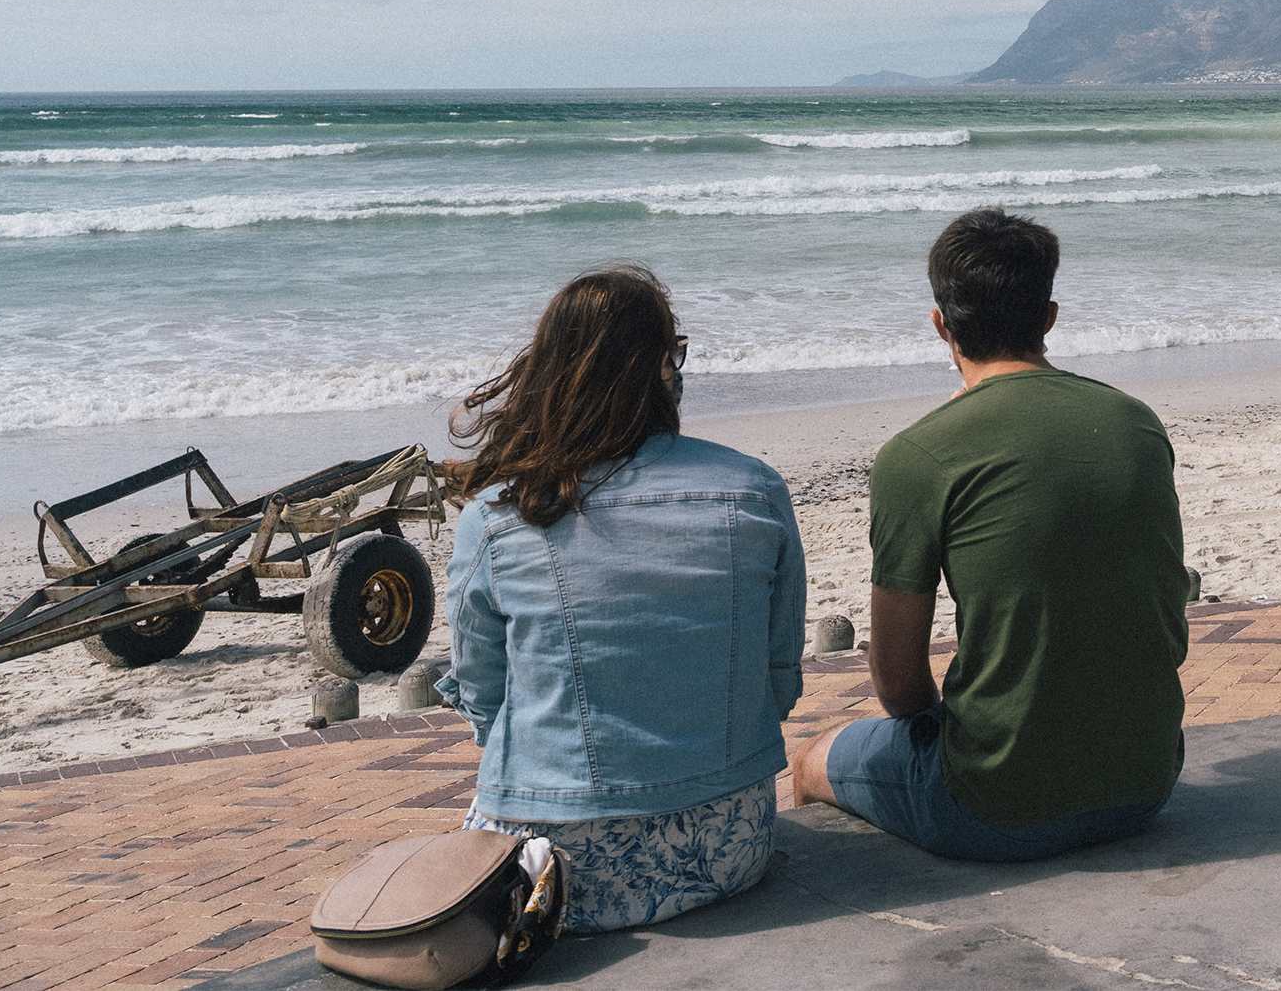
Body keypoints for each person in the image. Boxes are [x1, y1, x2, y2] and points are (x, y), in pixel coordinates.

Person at [790, 207, 1187, 861]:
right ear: (1049, 317)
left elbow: (897, 686)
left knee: (810, 760)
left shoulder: (918, 456)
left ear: (941, 324)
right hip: (1144, 784)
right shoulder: (1135, 424)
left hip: (990, 808)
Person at [439, 266, 805, 932]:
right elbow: (778, 679)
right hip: (731, 841)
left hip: (556, 865)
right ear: (665, 368)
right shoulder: (753, 489)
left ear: (547, 372)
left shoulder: (497, 515)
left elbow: (482, 696)